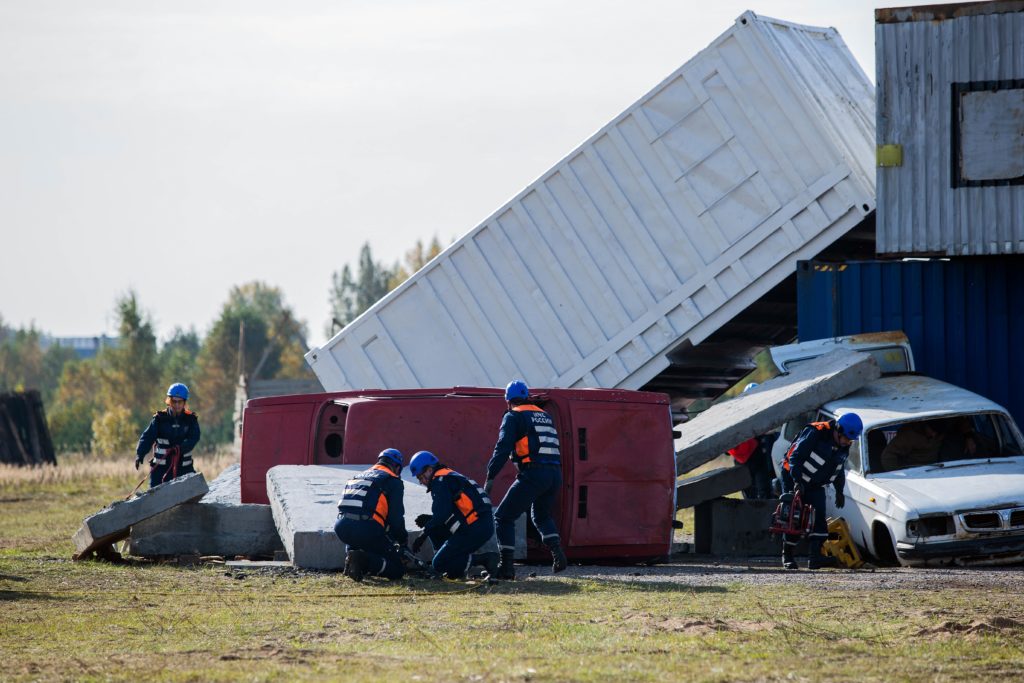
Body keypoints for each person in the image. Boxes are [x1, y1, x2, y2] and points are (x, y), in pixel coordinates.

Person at [484, 380, 567, 580]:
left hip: (534, 473)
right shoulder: (545, 416)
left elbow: (502, 448)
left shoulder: (514, 416)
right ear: (527, 396)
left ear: (507, 400)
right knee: (540, 514)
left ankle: (506, 567)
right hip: (555, 474)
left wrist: (491, 475)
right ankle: (558, 553)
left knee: (503, 517)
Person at [779, 412, 862, 570]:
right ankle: (788, 556)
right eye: (845, 438)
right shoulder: (816, 432)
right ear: (837, 429)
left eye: (850, 440)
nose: (846, 442)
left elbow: (838, 468)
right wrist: (796, 481)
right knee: (794, 515)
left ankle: (815, 558)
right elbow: (795, 457)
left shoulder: (845, 445)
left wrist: (839, 490)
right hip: (793, 476)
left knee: (819, 515)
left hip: (815, 483)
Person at [409, 451, 497, 580]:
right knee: (431, 524)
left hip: (475, 528)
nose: (421, 482)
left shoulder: (440, 481)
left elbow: (441, 515)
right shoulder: (449, 475)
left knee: (439, 563)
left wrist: (423, 534)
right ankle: (455, 566)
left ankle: (485, 559)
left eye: (421, 477)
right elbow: (448, 513)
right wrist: (429, 523)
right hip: (478, 524)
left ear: (429, 470)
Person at [334, 448, 409, 582]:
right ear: (397, 467)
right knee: (397, 569)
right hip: (366, 529)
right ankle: (362, 562)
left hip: (341, 527)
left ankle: (350, 560)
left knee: (357, 533)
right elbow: (396, 518)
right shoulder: (393, 482)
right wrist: (402, 541)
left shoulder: (357, 476)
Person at [135, 383, 201, 489]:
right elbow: (147, 437)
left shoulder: (191, 419)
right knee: (154, 498)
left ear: (184, 402)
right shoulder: (159, 419)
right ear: (169, 401)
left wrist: (182, 447)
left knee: (193, 494)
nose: (177, 405)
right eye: (174, 401)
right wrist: (140, 454)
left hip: (184, 469)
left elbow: (194, 437)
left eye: (180, 402)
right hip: (160, 470)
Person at [726, 383, 778, 499]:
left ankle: (756, 513)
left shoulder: (735, 414)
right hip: (760, 459)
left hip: (744, 461)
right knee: (763, 492)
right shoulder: (764, 411)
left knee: (750, 494)